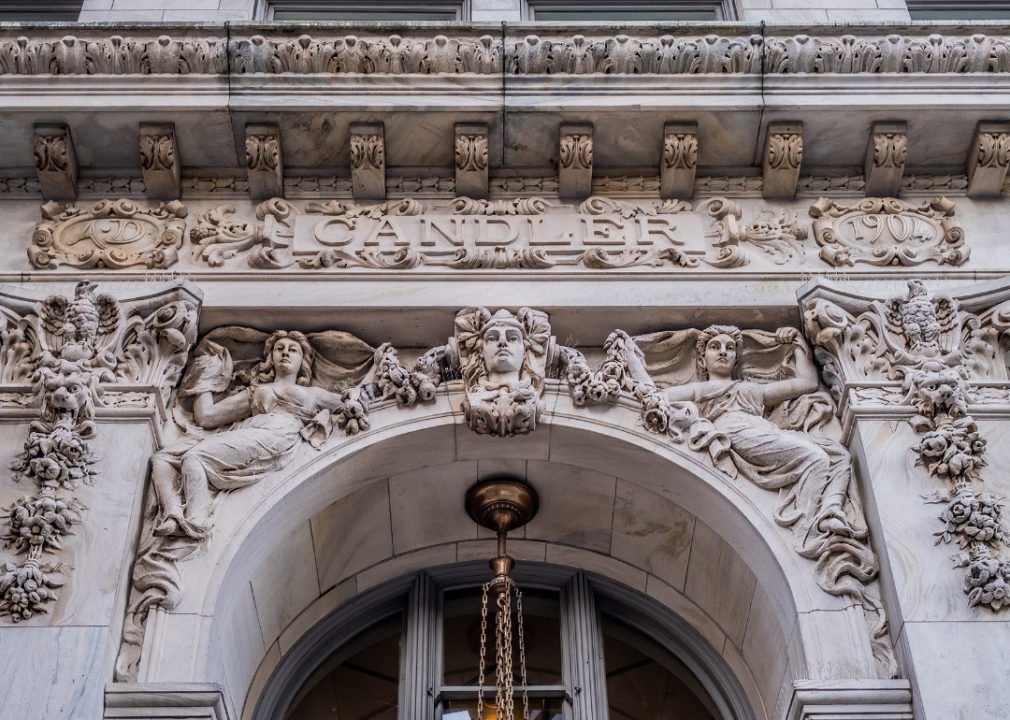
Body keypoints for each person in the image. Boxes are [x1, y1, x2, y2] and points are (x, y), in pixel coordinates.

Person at [621, 324, 858, 559]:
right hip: (734, 429)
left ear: (736, 359)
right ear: (703, 361)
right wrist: (631, 357)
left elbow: (806, 384)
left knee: (840, 455)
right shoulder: (701, 388)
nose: (723, 351)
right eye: (715, 347)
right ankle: (808, 530)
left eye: (729, 347)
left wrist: (798, 342)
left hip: (763, 428)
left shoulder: (752, 389)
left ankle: (830, 510)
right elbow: (653, 396)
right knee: (815, 457)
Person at [150, 330, 347, 538]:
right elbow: (207, 417)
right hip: (251, 431)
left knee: (194, 457)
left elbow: (350, 403)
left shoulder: (314, 393)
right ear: (270, 357)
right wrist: (204, 379)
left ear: (303, 360)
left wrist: (367, 390)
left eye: (293, 350)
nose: (285, 353)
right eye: (279, 349)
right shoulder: (255, 390)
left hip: (279, 433)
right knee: (162, 458)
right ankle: (173, 514)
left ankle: (197, 521)